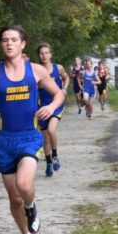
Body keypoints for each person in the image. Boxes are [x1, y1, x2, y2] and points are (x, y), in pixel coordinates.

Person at [0, 24, 66, 234]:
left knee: (24, 186)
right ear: (1, 44)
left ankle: (31, 207)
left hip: (29, 136)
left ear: (23, 44)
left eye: (14, 39)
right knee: (14, 197)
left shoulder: (35, 70)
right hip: (6, 140)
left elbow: (59, 93)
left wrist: (51, 107)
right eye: (5, 40)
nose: (9, 43)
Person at [36, 43, 70, 177]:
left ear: (51, 54)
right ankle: (49, 163)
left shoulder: (58, 68)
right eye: (41, 53)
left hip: (56, 105)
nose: (44, 56)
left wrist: (64, 89)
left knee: (51, 130)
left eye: (46, 53)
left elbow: (66, 77)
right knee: (45, 138)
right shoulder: (36, 70)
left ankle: (55, 155)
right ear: (38, 55)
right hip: (42, 106)